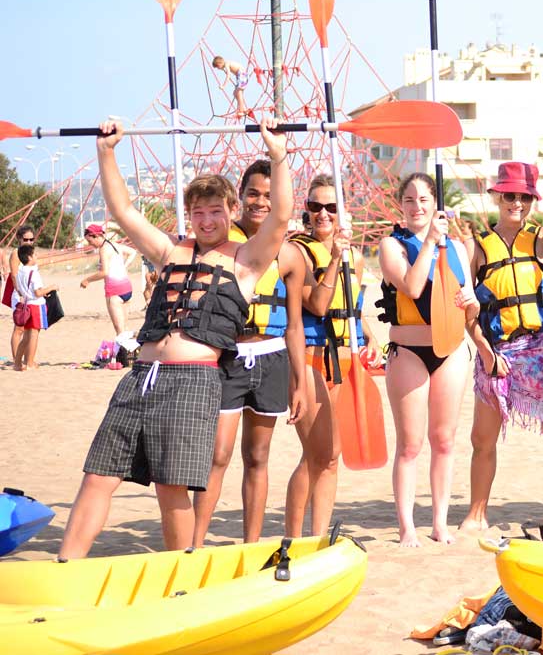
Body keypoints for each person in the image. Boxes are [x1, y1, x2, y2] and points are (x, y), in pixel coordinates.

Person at [57, 118, 290, 559]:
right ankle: (65, 568)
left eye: (215, 211)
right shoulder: (170, 252)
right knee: (97, 475)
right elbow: (123, 212)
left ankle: (177, 577)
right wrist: (106, 152)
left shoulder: (247, 260)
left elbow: (279, 217)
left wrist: (278, 156)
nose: (206, 220)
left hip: (193, 380)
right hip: (141, 376)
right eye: (198, 212)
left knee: (171, 488)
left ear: (230, 209)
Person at [459, 162, 543, 534]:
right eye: (510, 195)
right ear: (496, 196)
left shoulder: (540, 237)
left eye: (525, 197)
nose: (517, 203)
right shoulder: (476, 247)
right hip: (497, 350)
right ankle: (476, 514)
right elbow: (467, 312)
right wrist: (484, 351)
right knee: (482, 438)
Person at [191, 159, 308, 547]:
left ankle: (250, 544)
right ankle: (194, 543)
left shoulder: (290, 255)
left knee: (258, 456)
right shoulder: (222, 247)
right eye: (254, 193)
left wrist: (300, 382)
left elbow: (294, 325)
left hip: (272, 358)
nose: (261, 201)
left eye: (270, 196)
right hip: (227, 357)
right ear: (239, 197)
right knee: (218, 455)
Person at [377, 173, 475, 547]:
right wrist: (431, 241)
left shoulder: (459, 249)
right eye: (409, 200)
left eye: (423, 199)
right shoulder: (393, 246)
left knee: (445, 439)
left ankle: (440, 522)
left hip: (450, 350)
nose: (417, 206)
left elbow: (469, 301)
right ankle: (407, 527)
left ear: (435, 204)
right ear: (400, 206)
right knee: (411, 444)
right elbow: (413, 287)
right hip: (408, 351)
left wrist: (472, 301)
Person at [285, 174, 380, 537]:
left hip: (341, 358)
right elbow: (318, 305)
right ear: (306, 210)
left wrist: (368, 335)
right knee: (315, 454)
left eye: (331, 207)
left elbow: (350, 306)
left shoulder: (352, 256)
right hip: (309, 356)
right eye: (315, 207)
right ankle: (292, 537)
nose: (323, 214)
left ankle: (318, 535)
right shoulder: (297, 251)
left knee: (331, 456)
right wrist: (335, 257)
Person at [80, 224, 139, 344]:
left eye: (90, 240)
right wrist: (124, 265)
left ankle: (125, 355)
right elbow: (133, 252)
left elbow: (104, 272)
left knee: (120, 331)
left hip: (115, 291)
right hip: (127, 288)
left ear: (96, 236)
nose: (90, 244)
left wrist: (87, 280)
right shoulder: (114, 245)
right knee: (123, 328)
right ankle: (127, 354)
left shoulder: (104, 249)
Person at [13, 244, 56, 370]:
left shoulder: (20, 270)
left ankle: (17, 363)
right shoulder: (33, 273)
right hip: (36, 305)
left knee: (26, 337)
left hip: (26, 305)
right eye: (35, 255)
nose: (36, 256)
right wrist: (51, 287)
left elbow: (21, 289)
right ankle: (30, 362)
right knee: (34, 335)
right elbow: (38, 292)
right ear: (29, 257)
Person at [7, 226, 35, 363]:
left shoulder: (32, 253)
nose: (29, 242)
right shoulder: (16, 253)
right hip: (19, 295)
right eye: (26, 239)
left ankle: (27, 360)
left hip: (31, 295)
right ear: (19, 238)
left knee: (30, 328)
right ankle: (16, 360)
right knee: (19, 328)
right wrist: (20, 293)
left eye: (31, 239)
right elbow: (13, 275)